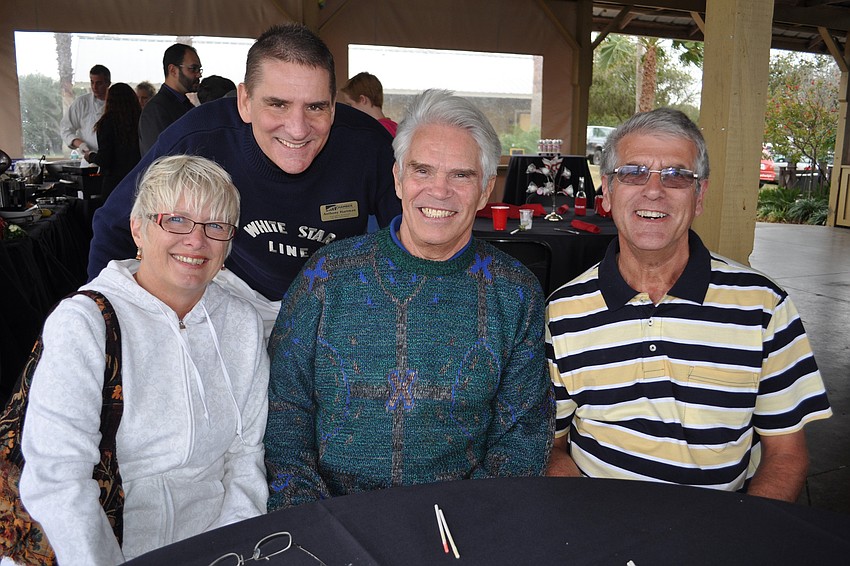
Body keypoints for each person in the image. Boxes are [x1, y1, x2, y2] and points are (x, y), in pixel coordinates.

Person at [263, 89, 554, 510]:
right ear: (398, 178)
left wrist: (475, 526)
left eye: (461, 175)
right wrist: (312, 522)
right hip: (330, 522)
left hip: (461, 529)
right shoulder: (325, 277)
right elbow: (286, 413)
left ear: (486, 188)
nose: (439, 191)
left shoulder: (515, 292)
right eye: (423, 170)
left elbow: (523, 436)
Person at [545, 108, 832, 502]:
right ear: (607, 194)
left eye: (677, 175)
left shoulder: (764, 306)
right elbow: (551, 447)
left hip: (722, 531)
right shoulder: (562, 312)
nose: (653, 190)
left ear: (699, 196)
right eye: (633, 172)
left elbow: (786, 454)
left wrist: (741, 539)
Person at [19, 155, 270, 563]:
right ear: (138, 228)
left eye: (216, 226)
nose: (196, 240)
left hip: (213, 546)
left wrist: (231, 551)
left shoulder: (241, 322)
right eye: (176, 220)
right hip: (105, 546)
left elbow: (246, 456)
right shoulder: (84, 324)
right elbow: (59, 480)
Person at [88, 23, 400, 322]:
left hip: (333, 307)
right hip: (234, 300)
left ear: (333, 107)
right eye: (277, 104)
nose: (297, 129)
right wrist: (112, 327)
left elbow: (412, 240)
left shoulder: (368, 145)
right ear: (245, 101)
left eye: (315, 107)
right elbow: (115, 225)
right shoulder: (199, 136)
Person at [138, 43, 202, 155]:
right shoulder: (156, 109)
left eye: (199, 70)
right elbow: (159, 159)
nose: (198, 75)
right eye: (193, 69)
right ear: (173, 70)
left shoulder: (186, 105)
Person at [88, 83, 142, 198]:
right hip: (139, 179)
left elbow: (105, 159)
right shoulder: (141, 119)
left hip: (114, 183)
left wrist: (90, 156)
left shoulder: (106, 123)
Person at [59, 64, 110, 155]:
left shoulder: (118, 104)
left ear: (108, 83)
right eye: (92, 82)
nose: (94, 87)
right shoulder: (82, 103)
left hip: (113, 160)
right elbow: (66, 129)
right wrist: (80, 144)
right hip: (89, 159)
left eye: (99, 83)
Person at [339, 71, 398, 136]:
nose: (349, 110)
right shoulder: (395, 127)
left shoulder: (373, 131)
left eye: (350, 104)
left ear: (362, 99)